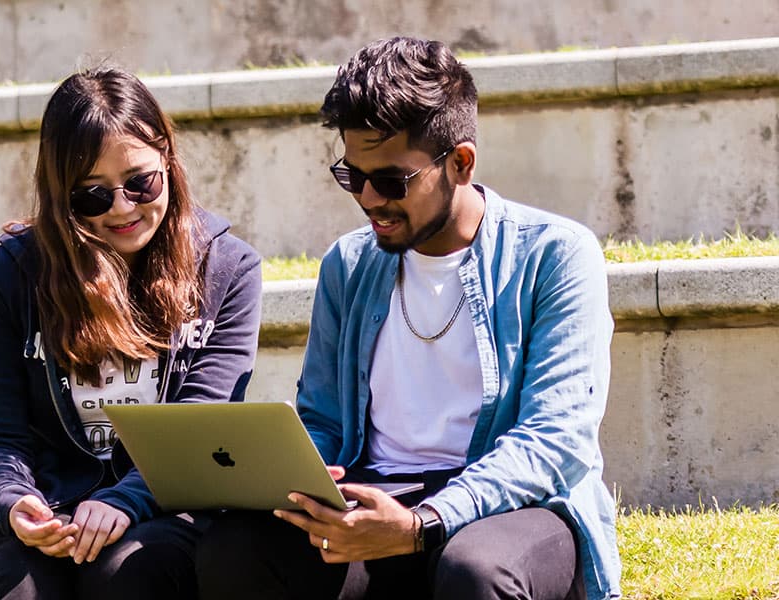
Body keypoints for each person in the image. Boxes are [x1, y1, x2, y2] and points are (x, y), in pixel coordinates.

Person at [194, 37, 619, 599]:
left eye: (391, 181)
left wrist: (424, 523)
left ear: (460, 163)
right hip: (374, 499)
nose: (369, 199)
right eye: (353, 176)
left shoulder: (554, 255)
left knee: (475, 570)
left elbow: (555, 440)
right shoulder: (348, 264)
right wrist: (290, 482)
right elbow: (322, 420)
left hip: (513, 506)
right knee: (235, 549)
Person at [0, 66, 264, 600]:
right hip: (49, 511)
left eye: (140, 182)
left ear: (167, 156)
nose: (122, 207)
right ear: (58, 195)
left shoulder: (228, 269)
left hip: (171, 506)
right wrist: (14, 502)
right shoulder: (6, 277)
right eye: (91, 196)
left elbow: (197, 426)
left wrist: (125, 500)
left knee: (125, 576)